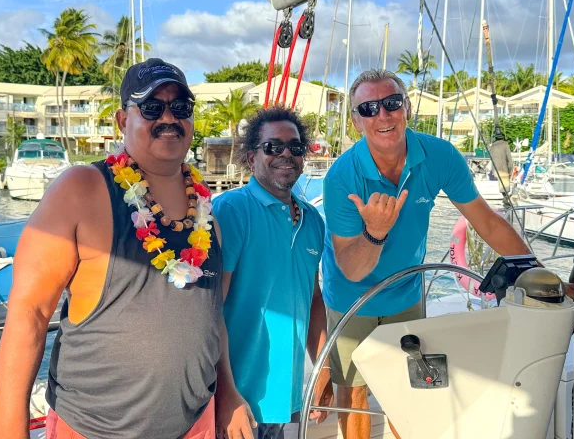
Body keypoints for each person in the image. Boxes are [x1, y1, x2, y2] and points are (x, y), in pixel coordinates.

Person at [0, 58, 223, 439]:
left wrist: (227, 397)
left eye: (181, 108)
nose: (169, 117)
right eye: (152, 107)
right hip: (93, 429)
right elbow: (29, 315)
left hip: (196, 423)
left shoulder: (205, 207)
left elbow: (215, 318)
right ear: (122, 121)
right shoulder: (81, 188)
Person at [321, 69, 533, 439]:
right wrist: (375, 232)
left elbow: (486, 220)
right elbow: (351, 269)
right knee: (353, 390)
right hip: (351, 295)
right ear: (356, 121)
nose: (382, 116)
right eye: (368, 108)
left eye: (391, 103)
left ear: (406, 108)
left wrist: (537, 272)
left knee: (408, 386)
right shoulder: (342, 176)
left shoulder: (439, 156)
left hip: (406, 290)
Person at [213, 107, 333, 439]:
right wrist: (225, 393)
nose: (285, 154)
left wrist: (322, 368)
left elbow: (312, 300)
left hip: (287, 398)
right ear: (251, 158)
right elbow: (211, 309)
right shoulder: (232, 210)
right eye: (272, 147)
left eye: (295, 147)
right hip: (238, 400)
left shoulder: (313, 221)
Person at [489, 128, 514, 207]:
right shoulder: (505, 144)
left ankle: (505, 199)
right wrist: (510, 169)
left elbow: (492, 159)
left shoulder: (492, 146)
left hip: (496, 169)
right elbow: (509, 158)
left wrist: (493, 170)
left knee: (502, 185)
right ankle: (506, 200)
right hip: (504, 168)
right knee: (506, 186)